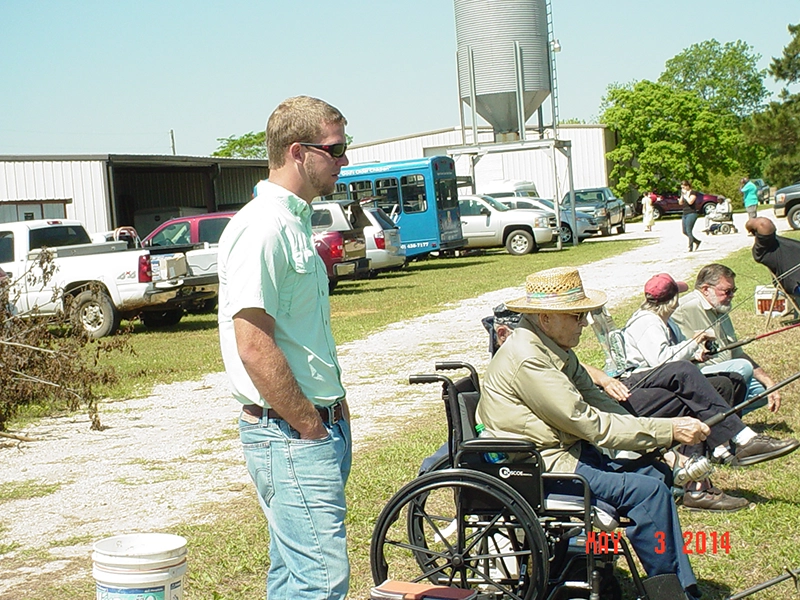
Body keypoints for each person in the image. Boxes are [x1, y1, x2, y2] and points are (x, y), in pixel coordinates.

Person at [476, 266, 708, 599]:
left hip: (564, 452)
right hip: (542, 465)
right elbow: (588, 423)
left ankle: (671, 583)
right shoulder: (530, 359)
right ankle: (672, 592)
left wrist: (654, 440)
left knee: (655, 472)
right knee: (649, 493)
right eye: (577, 315)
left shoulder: (547, 346)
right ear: (546, 317)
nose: (585, 322)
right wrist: (668, 430)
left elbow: (597, 398)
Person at [217, 96, 352, 600]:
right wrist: (311, 426)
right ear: (299, 152)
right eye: (336, 149)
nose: (345, 160)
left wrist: (332, 412)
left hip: (311, 429)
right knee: (321, 581)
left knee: (294, 575)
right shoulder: (262, 227)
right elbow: (253, 344)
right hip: (292, 434)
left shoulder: (293, 222)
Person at [623, 273, 798, 475]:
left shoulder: (667, 322)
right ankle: (744, 438)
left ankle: (721, 448)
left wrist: (697, 356)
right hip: (640, 383)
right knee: (685, 371)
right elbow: (661, 361)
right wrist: (694, 341)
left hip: (664, 378)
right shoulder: (647, 321)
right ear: (672, 300)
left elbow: (676, 357)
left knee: (729, 382)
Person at [672, 263, 780, 414]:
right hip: (697, 376)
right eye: (727, 291)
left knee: (761, 392)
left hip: (725, 375)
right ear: (705, 289)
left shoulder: (720, 306)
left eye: (733, 291)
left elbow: (737, 353)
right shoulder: (683, 308)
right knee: (742, 367)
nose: (732, 296)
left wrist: (770, 383)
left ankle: (720, 417)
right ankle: (725, 423)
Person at [746, 216, 800, 296]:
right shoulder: (763, 250)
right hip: (795, 283)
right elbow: (764, 224)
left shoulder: (778, 241)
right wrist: (749, 225)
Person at [679, 180, 702, 252]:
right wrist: (682, 195)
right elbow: (680, 203)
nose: (683, 189)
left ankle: (690, 247)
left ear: (687, 186)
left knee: (689, 230)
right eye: (682, 187)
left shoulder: (693, 193)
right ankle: (697, 241)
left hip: (692, 213)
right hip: (685, 213)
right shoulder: (683, 194)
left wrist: (686, 195)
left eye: (684, 187)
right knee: (684, 231)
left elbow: (690, 202)